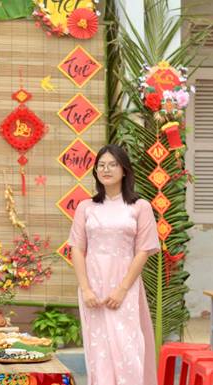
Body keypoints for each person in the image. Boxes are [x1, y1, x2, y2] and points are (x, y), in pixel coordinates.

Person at [68, 144, 160, 385]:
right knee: (99, 351)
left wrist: (122, 289)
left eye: (112, 164)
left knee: (128, 348)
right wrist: (85, 289)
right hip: (93, 289)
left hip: (125, 287)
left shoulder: (140, 207)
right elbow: (77, 248)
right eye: (101, 165)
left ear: (124, 170)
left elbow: (143, 250)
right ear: (96, 171)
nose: (106, 169)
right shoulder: (85, 207)